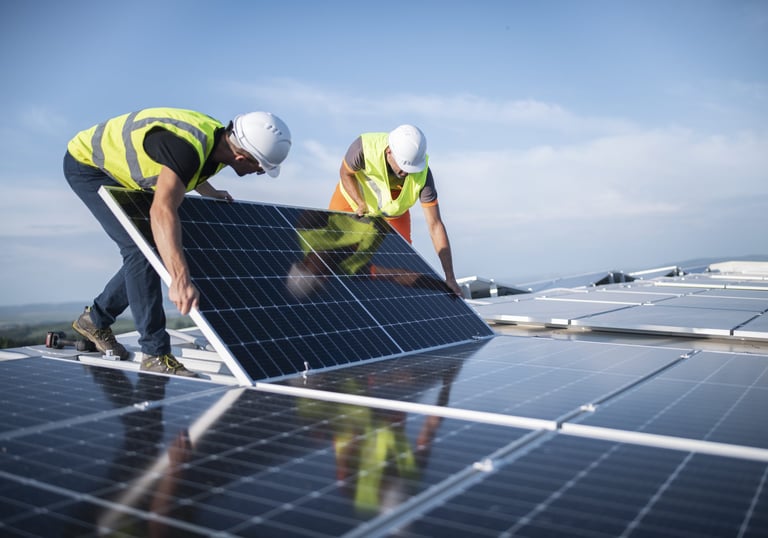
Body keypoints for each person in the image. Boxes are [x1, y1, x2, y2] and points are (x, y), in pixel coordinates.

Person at [65, 107, 291, 376]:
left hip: (123, 172)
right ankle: (155, 354)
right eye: (260, 167)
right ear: (242, 156)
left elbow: (188, 168)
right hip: (90, 165)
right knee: (141, 249)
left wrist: (209, 191)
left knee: (159, 247)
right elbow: (162, 209)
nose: (260, 172)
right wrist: (180, 280)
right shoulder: (187, 148)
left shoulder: (222, 142)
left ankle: (95, 320)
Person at [328, 125, 462, 296]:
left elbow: (435, 225)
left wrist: (450, 277)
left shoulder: (423, 176)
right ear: (389, 151)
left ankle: (379, 297)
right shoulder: (363, 147)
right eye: (403, 165)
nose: (406, 172)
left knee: (400, 261)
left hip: (393, 212)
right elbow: (345, 173)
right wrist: (359, 202)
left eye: (411, 168)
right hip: (352, 202)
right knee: (333, 253)